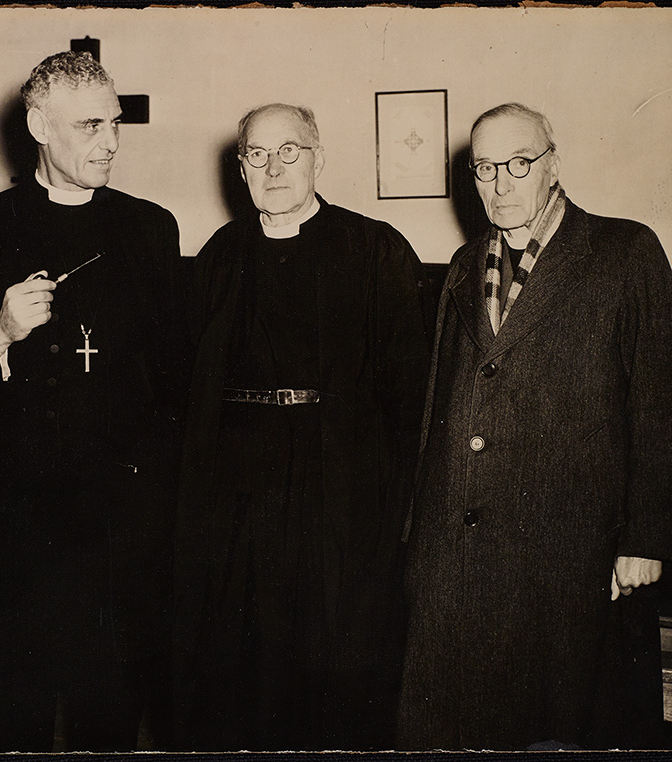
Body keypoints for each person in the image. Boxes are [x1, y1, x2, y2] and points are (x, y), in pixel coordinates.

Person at [398, 103, 672, 750]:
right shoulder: (464, 266)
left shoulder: (624, 252)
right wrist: (420, 544)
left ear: (552, 165)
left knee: (565, 727)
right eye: (483, 168)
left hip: (571, 557)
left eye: (518, 163)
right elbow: (436, 413)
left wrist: (645, 536)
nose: (500, 184)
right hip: (460, 556)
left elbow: (661, 406)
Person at [0, 51, 189, 751]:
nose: (108, 142)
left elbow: (174, 382)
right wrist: (1, 332)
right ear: (39, 124)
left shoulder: (150, 228)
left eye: (115, 124)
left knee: (108, 714)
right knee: (10, 712)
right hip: (15, 525)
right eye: (89, 126)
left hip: (118, 529)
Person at [173, 103, 433, 751]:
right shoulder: (221, 254)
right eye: (256, 155)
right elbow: (191, 394)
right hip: (239, 501)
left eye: (289, 150)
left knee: (332, 677)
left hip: (338, 499)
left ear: (320, 156)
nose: (273, 167)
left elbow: (410, 404)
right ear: (240, 169)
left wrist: (390, 515)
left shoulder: (376, 249)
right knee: (238, 672)